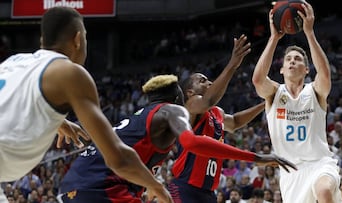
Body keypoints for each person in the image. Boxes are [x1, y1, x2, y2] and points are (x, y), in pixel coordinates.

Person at [0, 7, 172, 203]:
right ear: (78, 39)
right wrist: (156, 185)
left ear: (42, 41)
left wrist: (56, 120)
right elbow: (118, 158)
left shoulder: (13, 62)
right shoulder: (71, 73)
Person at [59, 74, 296, 203]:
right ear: (180, 97)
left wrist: (58, 122)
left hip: (72, 185)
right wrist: (256, 157)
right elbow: (192, 142)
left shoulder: (136, 120)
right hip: (105, 189)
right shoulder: (175, 110)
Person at [168, 34, 296, 203]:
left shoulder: (216, 112)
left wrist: (266, 103)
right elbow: (208, 100)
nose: (210, 82)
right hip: (185, 187)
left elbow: (235, 122)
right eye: (202, 81)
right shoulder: (189, 107)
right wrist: (232, 65)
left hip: (208, 192)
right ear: (190, 92)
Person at [251, 2, 342, 203]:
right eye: (288, 59)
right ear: (282, 69)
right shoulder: (274, 93)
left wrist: (309, 33)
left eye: (298, 59)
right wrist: (274, 38)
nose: (292, 61)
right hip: (291, 172)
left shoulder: (315, 91)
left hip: (320, 163)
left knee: (324, 191)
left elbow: (325, 75)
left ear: (307, 69)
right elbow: (257, 80)